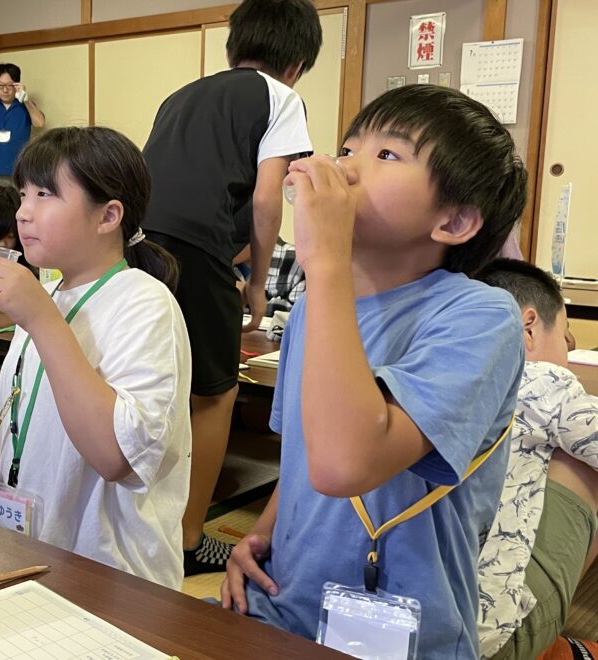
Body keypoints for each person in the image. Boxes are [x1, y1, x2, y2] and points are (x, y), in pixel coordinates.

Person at [220, 85, 528, 658]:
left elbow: (345, 463)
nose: (345, 167)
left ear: (455, 221)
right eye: (347, 146)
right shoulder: (317, 303)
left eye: (387, 155)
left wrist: (327, 259)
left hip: (406, 635)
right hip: (280, 606)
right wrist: (260, 535)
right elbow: (305, 459)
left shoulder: (482, 316)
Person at [0, 126, 192, 589]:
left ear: (108, 216)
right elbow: (35, 418)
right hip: (29, 557)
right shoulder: (51, 295)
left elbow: (114, 456)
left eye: (44, 194)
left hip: (110, 576)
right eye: (22, 194)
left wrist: (40, 320)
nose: (23, 212)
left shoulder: (145, 302)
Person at [141, 0, 323, 575]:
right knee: (214, 395)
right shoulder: (281, 96)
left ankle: (142, 523)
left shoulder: (180, 97)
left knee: (154, 385)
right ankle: (191, 539)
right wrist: (257, 286)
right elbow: (269, 199)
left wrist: (236, 260)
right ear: (297, 62)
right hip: (195, 255)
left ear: (230, 49)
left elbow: (196, 199)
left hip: (138, 245)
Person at [475, 258, 598, 660]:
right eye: (565, 337)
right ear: (528, 328)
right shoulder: (544, 378)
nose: (568, 350)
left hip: (375, 622)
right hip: (482, 639)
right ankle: (549, 646)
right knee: (581, 456)